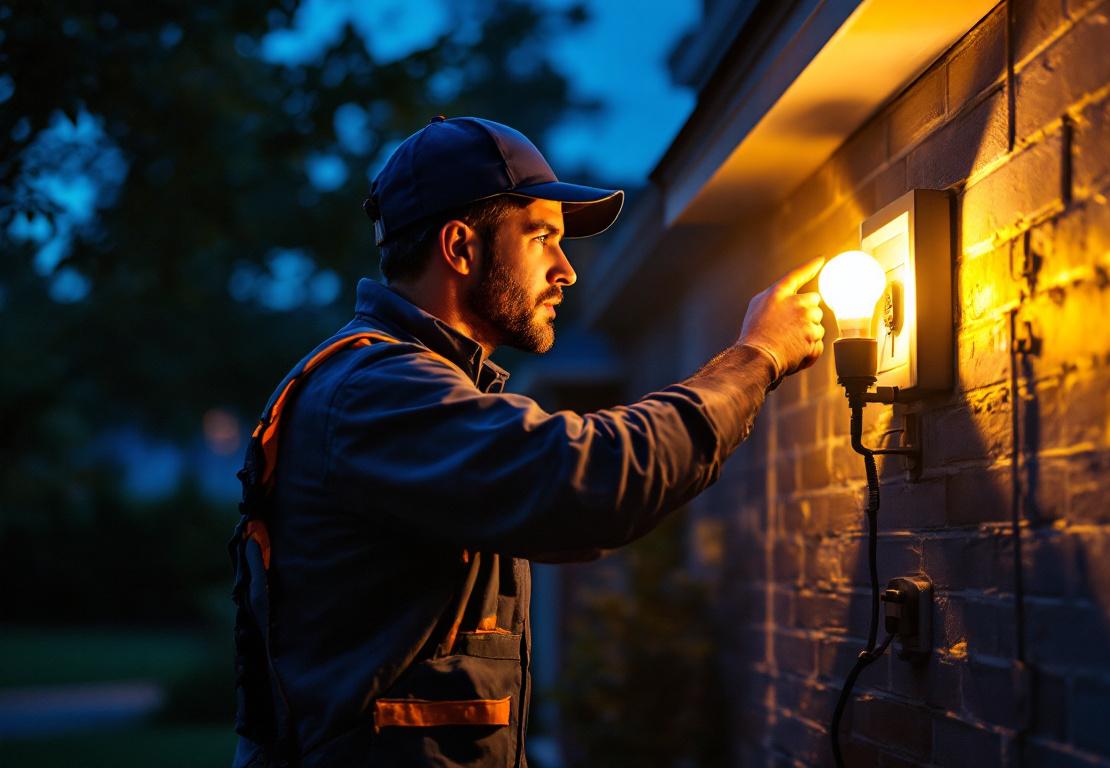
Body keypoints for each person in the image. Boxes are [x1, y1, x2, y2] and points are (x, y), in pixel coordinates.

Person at [230, 116, 825, 767]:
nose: (567, 270)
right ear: (461, 247)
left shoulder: (412, 390)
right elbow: (589, 481)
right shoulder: (380, 394)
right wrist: (755, 358)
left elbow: (564, 517)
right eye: (542, 237)